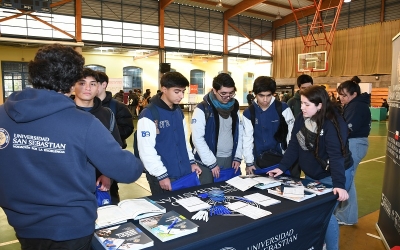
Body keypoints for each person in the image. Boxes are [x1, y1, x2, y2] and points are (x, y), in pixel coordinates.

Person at [0, 44, 143, 249]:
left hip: (23, 224)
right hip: (71, 228)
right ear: (71, 83)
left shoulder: (2, 115)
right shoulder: (83, 123)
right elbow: (128, 170)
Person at [268, 86, 354, 250]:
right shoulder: (302, 118)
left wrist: (339, 185)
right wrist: (282, 167)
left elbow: (336, 156)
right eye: (301, 103)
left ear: (320, 105)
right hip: (312, 176)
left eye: (307, 104)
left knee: (325, 214)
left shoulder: (333, 123)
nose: (302, 107)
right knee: (312, 213)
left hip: (333, 174)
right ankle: (318, 243)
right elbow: (294, 144)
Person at [137, 72, 201, 195]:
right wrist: (161, 174)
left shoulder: (178, 111)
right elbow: (146, 150)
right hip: (164, 177)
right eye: (177, 92)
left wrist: (191, 162)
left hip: (184, 173)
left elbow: (184, 142)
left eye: (183, 91)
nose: (181, 95)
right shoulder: (149, 114)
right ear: (164, 89)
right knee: (169, 212)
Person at [74, 68, 123, 204]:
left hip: (103, 184)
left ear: (98, 88)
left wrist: (108, 175)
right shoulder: (63, 114)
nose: (87, 88)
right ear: (73, 86)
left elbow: (116, 148)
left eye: (93, 84)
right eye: (82, 83)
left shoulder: (107, 114)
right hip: (72, 185)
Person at [190, 73, 243, 184]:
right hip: (208, 160)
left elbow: (239, 132)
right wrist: (212, 163)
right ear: (214, 90)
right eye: (223, 93)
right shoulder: (202, 109)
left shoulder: (234, 106)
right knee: (209, 193)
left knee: (230, 192)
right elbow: (197, 138)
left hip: (230, 159)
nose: (227, 97)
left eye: (231, 93)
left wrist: (237, 156)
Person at [335, 76, 371, 225]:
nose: (341, 98)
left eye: (344, 95)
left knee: (347, 179)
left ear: (354, 94)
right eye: (340, 95)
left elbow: (346, 128)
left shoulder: (356, 106)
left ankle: (347, 216)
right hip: (355, 143)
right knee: (347, 179)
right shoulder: (356, 104)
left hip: (355, 144)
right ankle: (346, 214)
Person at [242, 76, 294, 175]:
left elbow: (292, 135)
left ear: (273, 94)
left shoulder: (283, 108)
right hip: (257, 161)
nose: (265, 99)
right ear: (255, 94)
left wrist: (288, 160)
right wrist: (249, 162)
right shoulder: (249, 112)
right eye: (261, 95)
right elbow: (247, 138)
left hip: (280, 160)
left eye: (268, 95)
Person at [97, 71, 134, 149]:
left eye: (93, 84)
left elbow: (127, 128)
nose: (89, 87)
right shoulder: (87, 105)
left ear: (104, 85)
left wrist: (109, 133)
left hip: (113, 150)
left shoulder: (118, 106)